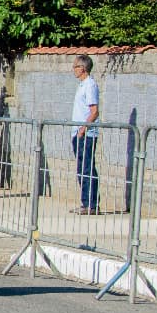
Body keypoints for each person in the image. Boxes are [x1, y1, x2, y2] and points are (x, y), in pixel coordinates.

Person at [71, 54, 101, 214]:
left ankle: (91, 204)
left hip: (86, 134)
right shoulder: (82, 85)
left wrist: (83, 128)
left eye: (75, 66)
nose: (73, 69)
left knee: (87, 168)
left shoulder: (90, 85)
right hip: (78, 133)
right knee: (81, 168)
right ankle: (85, 203)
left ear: (82, 68)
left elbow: (94, 111)